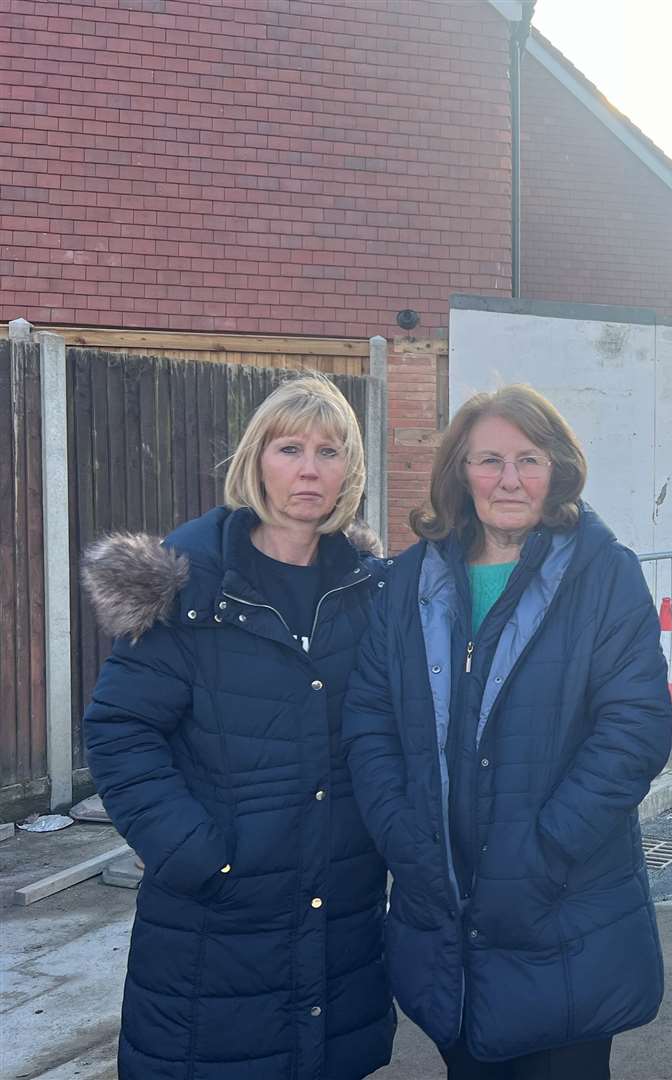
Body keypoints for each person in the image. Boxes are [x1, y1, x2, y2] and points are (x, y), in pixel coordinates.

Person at [342, 386, 672, 1079]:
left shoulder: (603, 574)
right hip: (442, 914)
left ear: (558, 468)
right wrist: (406, 841)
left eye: (529, 458)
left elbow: (632, 728)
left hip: (564, 910)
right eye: (488, 460)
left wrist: (544, 853)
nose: (510, 478)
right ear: (459, 472)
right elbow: (368, 723)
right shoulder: (407, 583)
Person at [80, 375, 394, 1079]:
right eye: (290, 448)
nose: (310, 469)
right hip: (215, 932)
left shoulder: (370, 592)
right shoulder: (191, 589)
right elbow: (119, 731)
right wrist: (199, 856)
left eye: (330, 450)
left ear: (351, 470)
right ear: (256, 460)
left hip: (341, 918)